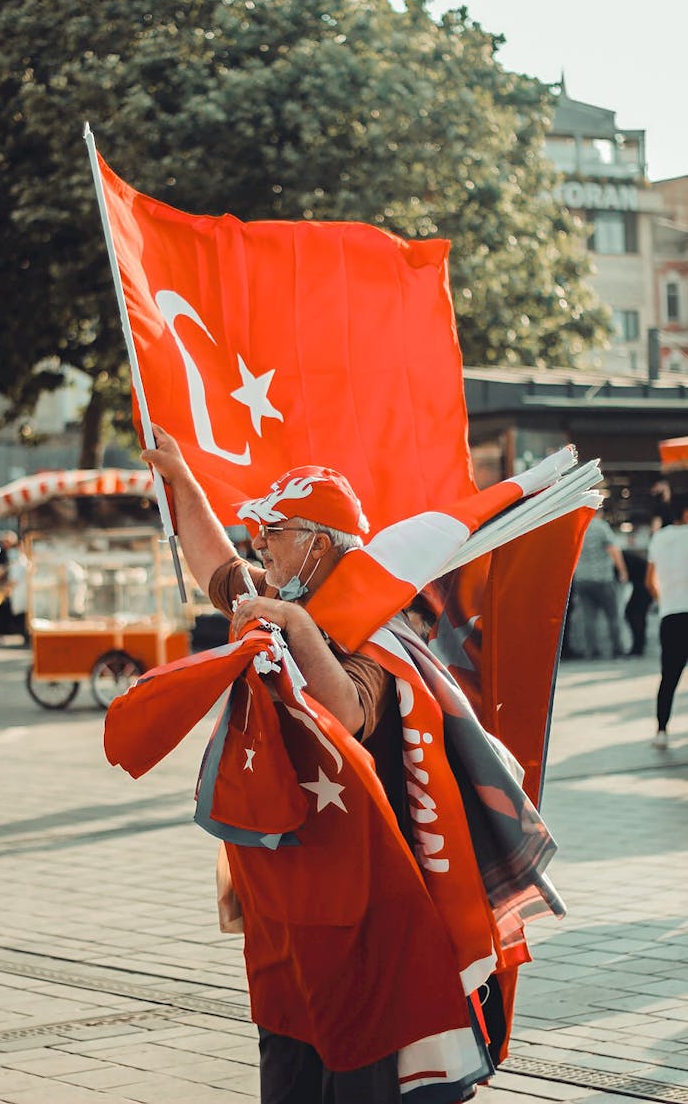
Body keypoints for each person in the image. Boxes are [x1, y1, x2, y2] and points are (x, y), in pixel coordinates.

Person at [142, 425, 467, 1102]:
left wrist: (297, 628)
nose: (260, 543)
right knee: (284, 1059)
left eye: (275, 530)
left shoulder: (378, 623)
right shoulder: (280, 592)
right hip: (285, 900)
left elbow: (347, 708)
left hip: (358, 907)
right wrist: (179, 478)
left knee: (350, 1068)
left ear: (318, 544)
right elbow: (215, 565)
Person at [646, 497, 688, 748]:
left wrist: (665, 603)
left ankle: (661, 731)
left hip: (671, 615)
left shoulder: (659, 539)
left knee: (669, 677)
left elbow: (650, 582)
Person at [573, 508, 628, 659]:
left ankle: (592, 651)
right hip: (602, 578)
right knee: (612, 615)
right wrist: (622, 571)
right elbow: (613, 550)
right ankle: (617, 650)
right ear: (599, 513)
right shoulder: (601, 526)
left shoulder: (579, 526)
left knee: (589, 617)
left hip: (582, 579)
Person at [622, 545, 653, 657]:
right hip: (644, 584)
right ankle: (639, 645)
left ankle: (638, 647)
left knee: (634, 614)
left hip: (646, 585)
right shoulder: (623, 556)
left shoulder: (620, 558)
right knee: (634, 614)